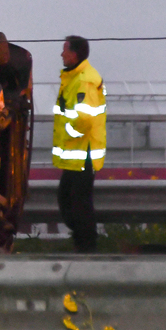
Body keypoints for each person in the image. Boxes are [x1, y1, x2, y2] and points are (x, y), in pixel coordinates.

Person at [52, 35, 106, 253]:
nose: (61, 54)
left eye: (64, 49)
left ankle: (86, 249)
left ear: (74, 54)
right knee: (69, 200)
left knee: (77, 203)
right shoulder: (76, 77)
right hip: (79, 152)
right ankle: (84, 245)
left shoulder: (84, 80)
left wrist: (69, 131)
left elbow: (84, 118)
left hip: (84, 151)